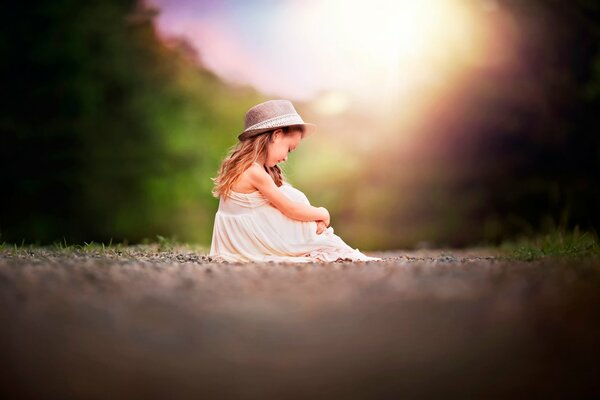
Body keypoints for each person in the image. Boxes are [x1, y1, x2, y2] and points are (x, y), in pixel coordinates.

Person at [208, 99, 382, 263]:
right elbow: (289, 209)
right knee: (323, 241)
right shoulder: (254, 172)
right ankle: (312, 235)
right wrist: (322, 213)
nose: (285, 158)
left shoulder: (254, 169)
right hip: (252, 240)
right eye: (289, 149)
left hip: (251, 236)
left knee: (300, 208)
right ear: (276, 135)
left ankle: (312, 233)